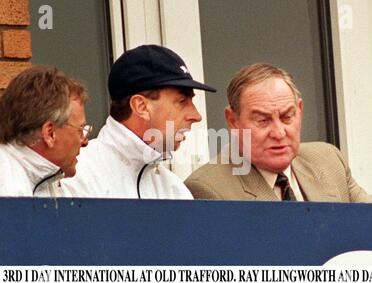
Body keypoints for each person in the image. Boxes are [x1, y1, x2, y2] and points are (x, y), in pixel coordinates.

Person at [185, 63, 372, 202]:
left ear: (299, 111)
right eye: (262, 120)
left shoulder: (329, 160)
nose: (278, 132)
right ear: (233, 121)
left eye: (287, 117)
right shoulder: (207, 189)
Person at [55, 44, 216, 199]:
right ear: (141, 106)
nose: (196, 116)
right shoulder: (74, 175)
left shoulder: (173, 189)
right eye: (182, 101)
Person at [0, 66, 90, 197]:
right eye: (80, 130)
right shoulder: (6, 183)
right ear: (50, 133)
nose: (85, 141)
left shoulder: (48, 177)